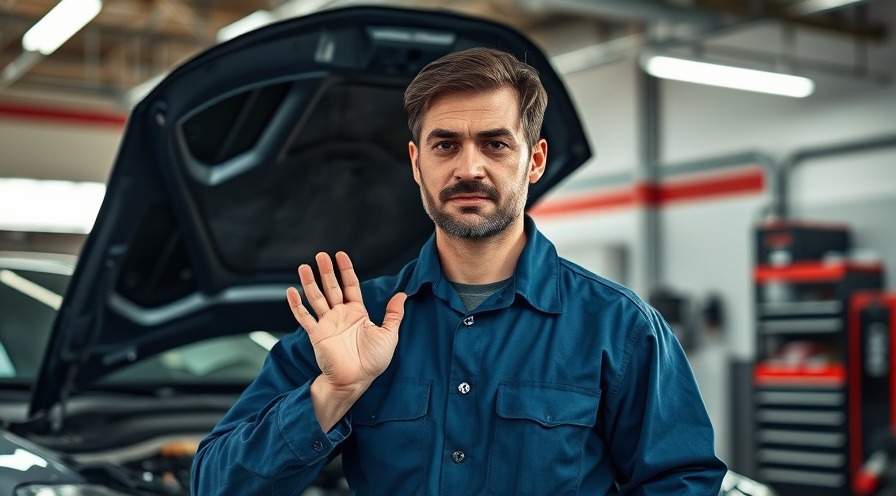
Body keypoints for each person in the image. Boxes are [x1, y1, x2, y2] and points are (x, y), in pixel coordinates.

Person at [191, 47, 727, 495]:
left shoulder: (621, 329)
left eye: (495, 144)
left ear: (534, 160)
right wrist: (332, 392)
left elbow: (681, 483)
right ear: (416, 161)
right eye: (445, 144)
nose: (469, 168)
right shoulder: (351, 326)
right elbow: (214, 484)